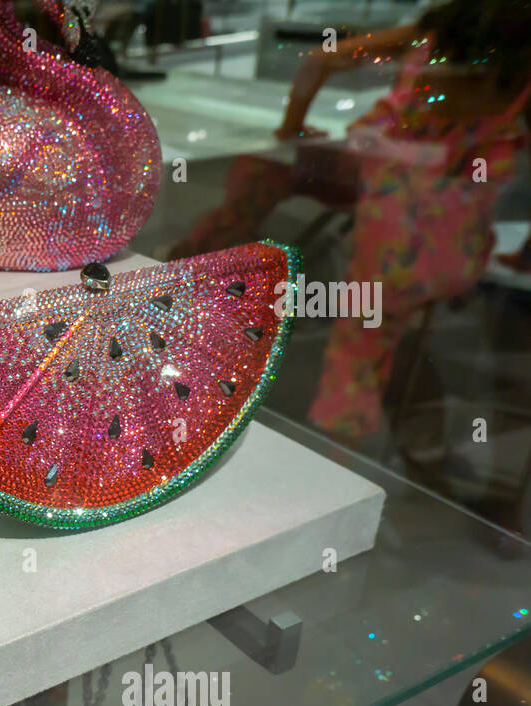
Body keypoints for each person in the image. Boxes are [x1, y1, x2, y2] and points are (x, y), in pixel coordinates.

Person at [170, 0, 531, 442]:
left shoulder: (436, 37)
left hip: (404, 199)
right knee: (365, 308)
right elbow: (322, 59)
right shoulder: (502, 58)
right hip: (440, 217)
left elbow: (320, 61)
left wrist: (292, 129)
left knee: (364, 317)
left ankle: (187, 278)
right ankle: (195, 277)